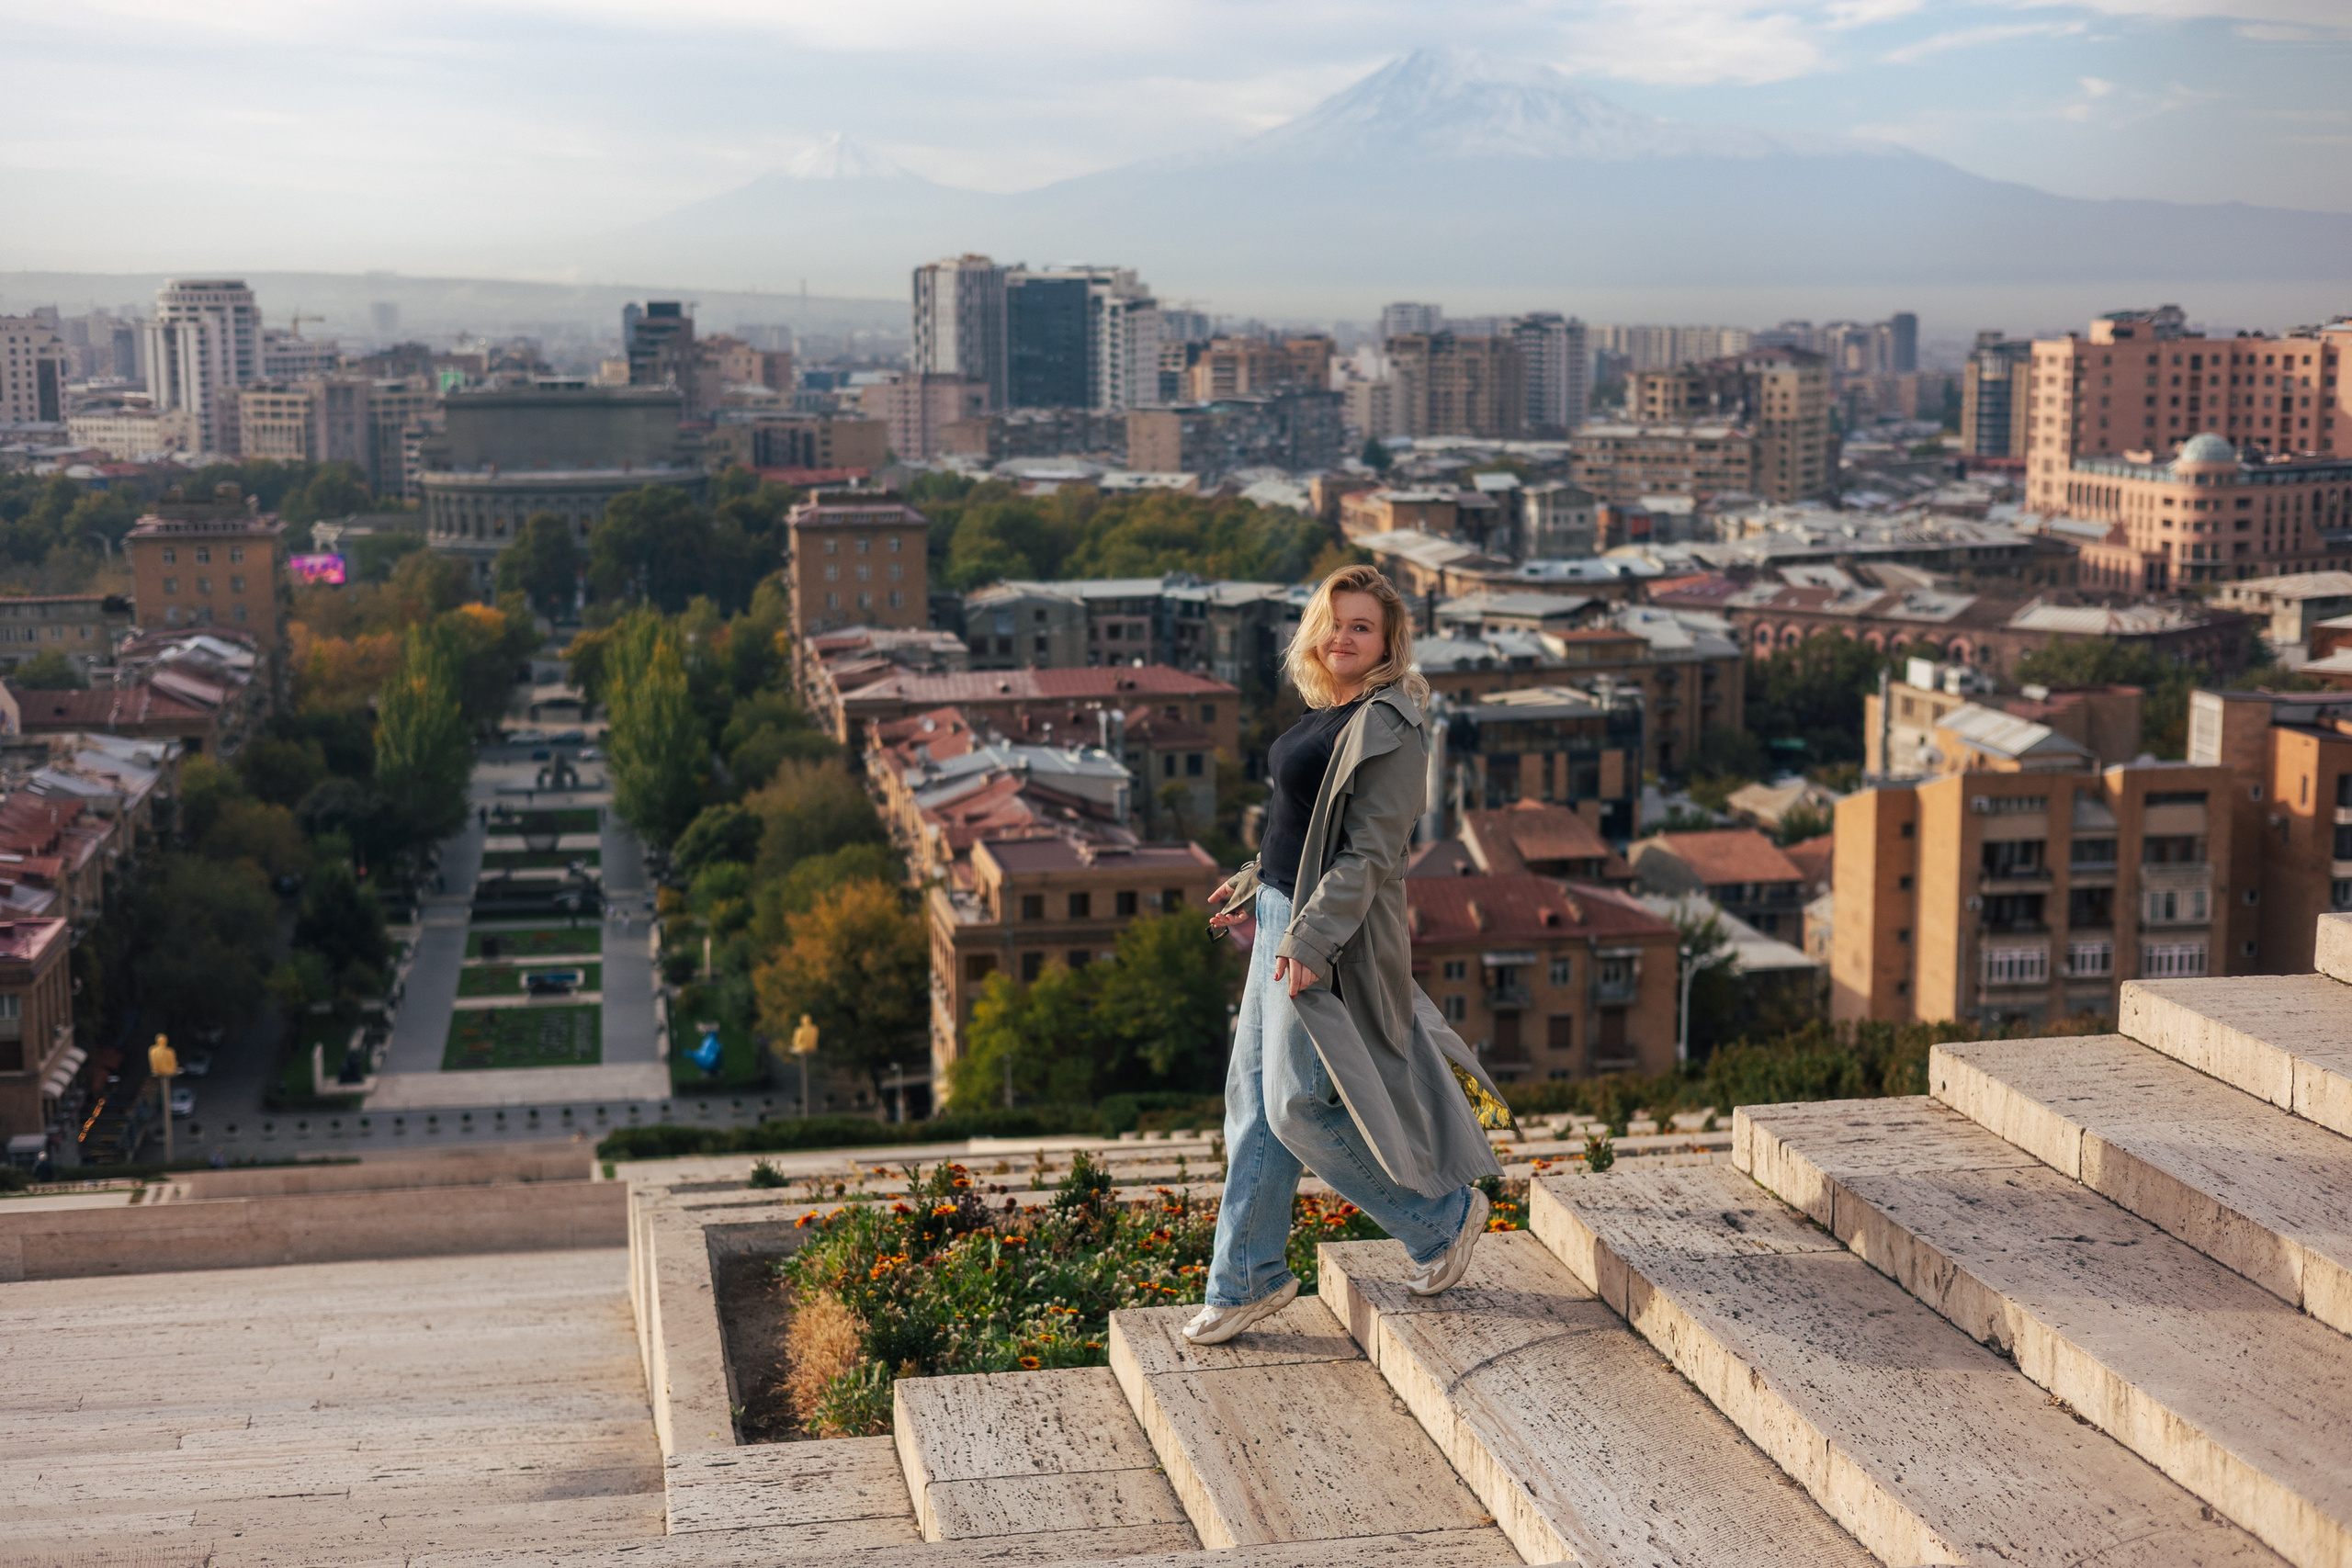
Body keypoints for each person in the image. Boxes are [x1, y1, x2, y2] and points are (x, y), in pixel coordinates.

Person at [1185, 565, 1505, 1346]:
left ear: (1390, 641)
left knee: (1298, 1107)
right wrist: (1256, 882)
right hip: (1279, 912)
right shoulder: (1330, 711)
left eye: (1363, 626)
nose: (1344, 636)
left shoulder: (1392, 724)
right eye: (1335, 622)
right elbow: (1302, 826)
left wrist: (1308, 940)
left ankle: (1441, 1217)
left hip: (1329, 936)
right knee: (1253, 1107)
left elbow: (1368, 854)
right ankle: (1245, 1280)